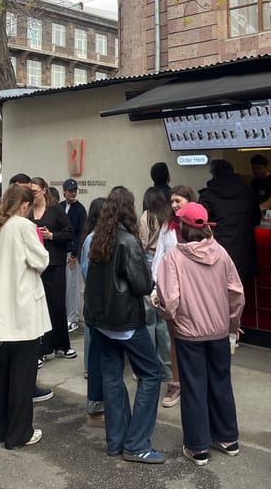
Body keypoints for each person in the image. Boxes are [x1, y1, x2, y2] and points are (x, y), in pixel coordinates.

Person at [156, 202, 244, 467]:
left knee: (194, 388)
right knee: (221, 383)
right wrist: (232, 324)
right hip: (218, 330)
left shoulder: (173, 258)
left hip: (188, 333)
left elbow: (170, 302)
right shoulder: (221, 253)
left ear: (181, 227)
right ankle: (227, 439)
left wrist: (159, 308)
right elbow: (237, 295)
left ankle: (198, 447)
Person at [84, 186, 164, 464]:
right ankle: (137, 443)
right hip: (126, 322)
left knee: (112, 378)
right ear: (129, 209)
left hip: (102, 322)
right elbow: (142, 284)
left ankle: (116, 442)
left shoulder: (98, 239)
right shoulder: (128, 241)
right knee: (151, 374)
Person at [0, 184, 51, 449]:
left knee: (2, 378)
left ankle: (1, 429)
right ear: (23, 206)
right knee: (22, 378)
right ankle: (19, 434)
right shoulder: (23, 227)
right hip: (22, 314)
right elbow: (41, 260)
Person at [150, 184, 197, 409]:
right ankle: (176, 382)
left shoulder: (200, 226)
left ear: (191, 201)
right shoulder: (167, 227)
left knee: (196, 338)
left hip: (196, 292)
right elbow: (159, 257)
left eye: (179, 200)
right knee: (175, 338)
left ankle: (196, 381)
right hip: (172, 290)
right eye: (173, 201)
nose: (175, 204)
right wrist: (156, 288)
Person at [28, 177, 75, 362]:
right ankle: (41, 348)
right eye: (30, 192)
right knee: (39, 307)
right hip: (35, 265)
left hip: (54, 264)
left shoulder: (56, 211)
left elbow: (69, 233)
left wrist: (51, 235)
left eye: (35, 192)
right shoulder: (28, 212)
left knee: (56, 305)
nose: (33, 195)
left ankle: (63, 345)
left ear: (44, 190)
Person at [198, 159, 258, 283]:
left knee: (220, 293)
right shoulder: (247, 191)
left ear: (214, 174)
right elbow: (256, 218)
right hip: (245, 254)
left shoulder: (208, 195)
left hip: (219, 253)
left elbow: (199, 221)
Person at [139, 188, 173, 404]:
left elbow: (142, 244)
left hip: (150, 260)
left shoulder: (145, 217)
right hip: (168, 265)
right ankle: (169, 368)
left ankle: (152, 366)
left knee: (149, 320)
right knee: (164, 321)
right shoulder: (169, 218)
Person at [80, 197, 106, 426]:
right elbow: (86, 270)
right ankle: (89, 367)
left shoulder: (96, 237)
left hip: (95, 296)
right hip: (94, 297)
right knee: (91, 335)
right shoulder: (91, 239)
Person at [59, 178, 87, 333]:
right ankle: (64, 316)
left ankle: (72, 318)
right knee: (62, 286)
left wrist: (75, 254)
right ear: (64, 191)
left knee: (72, 286)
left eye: (74, 190)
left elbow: (81, 233)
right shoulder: (60, 207)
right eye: (70, 190)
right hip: (59, 251)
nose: (73, 193)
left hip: (71, 253)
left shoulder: (80, 210)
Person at [250, 154, 271, 221]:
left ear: (265, 167)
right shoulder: (254, 182)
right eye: (253, 168)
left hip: (270, 219)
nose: (255, 171)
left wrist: (256, 210)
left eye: (258, 168)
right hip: (256, 219)